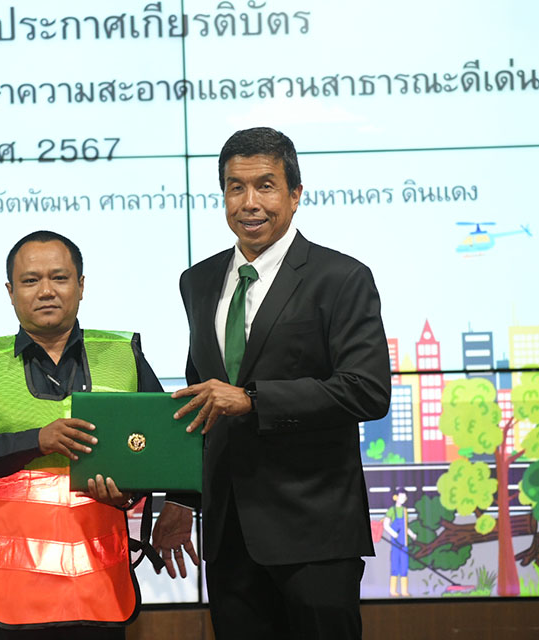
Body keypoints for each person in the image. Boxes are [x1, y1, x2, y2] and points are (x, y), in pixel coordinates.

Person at [153, 127, 391, 639]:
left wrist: (253, 400)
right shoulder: (198, 281)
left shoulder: (341, 277)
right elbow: (201, 399)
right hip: (229, 534)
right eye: (235, 188)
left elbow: (367, 390)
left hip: (314, 530)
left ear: (295, 194)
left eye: (265, 186)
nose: (250, 203)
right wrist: (182, 500)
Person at [0, 230, 164, 640]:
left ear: (81, 286)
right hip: (11, 587)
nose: (46, 291)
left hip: (100, 583)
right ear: (11, 292)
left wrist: (129, 492)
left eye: (60, 277)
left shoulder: (124, 356)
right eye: (31, 280)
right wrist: (35, 441)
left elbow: (158, 447)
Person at [382, 488, 417, 597]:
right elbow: (386, 525)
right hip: (395, 545)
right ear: (396, 497)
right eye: (401, 496)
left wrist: (411, 534)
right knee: (395, 567)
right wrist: (394, 534)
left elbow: (405, 526)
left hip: (404, 544)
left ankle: (404, 591)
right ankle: (393, 591)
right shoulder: (392, 510)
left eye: (404, 497)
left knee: (404, 567)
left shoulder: (405, 510)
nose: (403, 499)